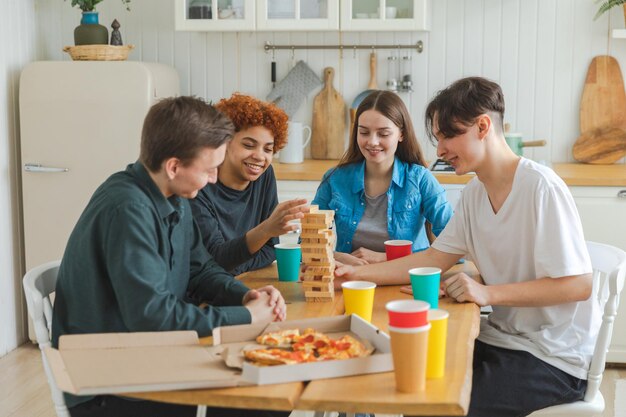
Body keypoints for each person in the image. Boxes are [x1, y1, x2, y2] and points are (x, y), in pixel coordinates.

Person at [335, 77, 600, 416]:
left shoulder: (540, 187)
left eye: (448, 135)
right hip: (501, 339)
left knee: (441, 403)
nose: (440, 150)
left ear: (483, 126)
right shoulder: (474, 194)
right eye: (437, 138)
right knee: (412, 376)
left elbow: (578, 285)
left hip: (553, 357)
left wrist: (487, 294)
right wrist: (355, 274)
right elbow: (433, 257)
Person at [51, 96, 288, 417]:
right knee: (267, 406)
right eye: (209, 169)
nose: (215, 179)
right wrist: (247, 318)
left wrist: (247, 295)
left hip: (148, 356)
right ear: (174, 166)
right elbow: (152, 316)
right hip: (108, 383)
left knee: (272, 390)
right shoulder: (127, 210)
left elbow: (201, 268)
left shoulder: (172, 194)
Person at [312, 90, 453, 266]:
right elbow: (306, 246)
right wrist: (337, 257)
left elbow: (456, 247)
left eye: (383, 134)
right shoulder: (334, 180)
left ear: (401, 134)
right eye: (364, 132)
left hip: (405, 282)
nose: (372, 141)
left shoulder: (420, 179)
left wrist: (386, 259)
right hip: (352, 281)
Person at [190, 93, 307, 275]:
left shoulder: (264, 174)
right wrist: (266, 229)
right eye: (249, 145)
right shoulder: (199, 184)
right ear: (225, 142)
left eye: (268, 149)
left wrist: (235, 265)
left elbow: (270, 250)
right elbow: (214, 259)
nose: (260, 157)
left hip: (243, 282)